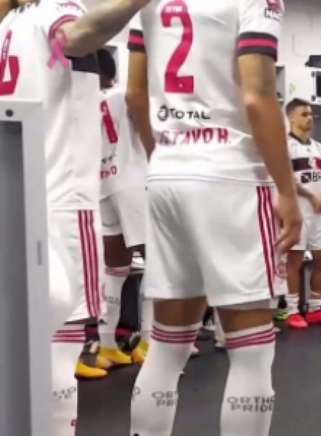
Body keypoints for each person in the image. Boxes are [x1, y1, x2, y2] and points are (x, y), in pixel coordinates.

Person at [126, 1, 301, 434]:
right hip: (231, 176)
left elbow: (133, 95)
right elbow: (258, 95)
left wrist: (164, 154)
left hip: (167, 171)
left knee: (168, 345)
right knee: (251, 351)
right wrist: (285, 188)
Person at [0, 0, 150, 434]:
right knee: (59, 347)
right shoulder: (53, 10)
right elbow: (76, 35)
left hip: (19, 196)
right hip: (63, 199)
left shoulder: (10, 25)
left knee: (23, 344)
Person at [93, 48, 151, 370]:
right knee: (158, 260)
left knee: (115, 269)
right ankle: (150, 342)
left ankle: (106, 345)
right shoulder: (121, 94)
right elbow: (137, 99)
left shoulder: (84, 102)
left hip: (101, 184)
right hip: (131, 179)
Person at [284, 98, 321, 329]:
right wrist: (310, 196)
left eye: (311, 115)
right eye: (304, 114)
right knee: (294, 262)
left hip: (318, 214)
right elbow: (285, 178)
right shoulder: (285, 146)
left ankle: (316, 307)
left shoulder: (319, 147)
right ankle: (292, 310)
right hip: (298, 211)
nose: (310, 118)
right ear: (291, 117)